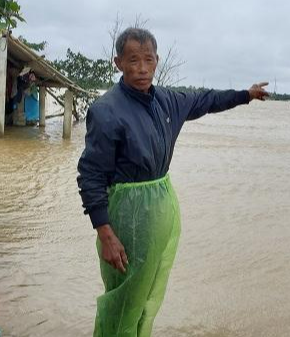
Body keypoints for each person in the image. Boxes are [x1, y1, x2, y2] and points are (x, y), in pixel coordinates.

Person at [77, 27, 268, 337]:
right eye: (133, 60)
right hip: (127, 213)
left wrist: (245, 95)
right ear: (118, 63)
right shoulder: (106, 110)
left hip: (161, 206)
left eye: (148, 60)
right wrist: (105, 232)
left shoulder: (167, 101)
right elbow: (91, 174)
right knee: (124, 295)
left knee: (149, 291)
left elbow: (207, 99)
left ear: (157, 61)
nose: (141, 68)